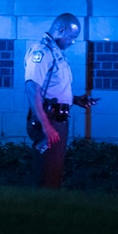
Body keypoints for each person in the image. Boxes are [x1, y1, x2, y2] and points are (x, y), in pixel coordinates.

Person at [24, 12, 98, 188]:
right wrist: (47, 127)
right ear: (61, 30)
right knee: (47, 172)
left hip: (57, 118)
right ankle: (40, 210)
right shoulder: (42, 51)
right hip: (48, 119)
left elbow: (52, 90)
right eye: (71, 36)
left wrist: (75, 100)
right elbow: (32, 88)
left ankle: (48, 208)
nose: (73, 42)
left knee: (54, 170)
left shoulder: (55, 52)